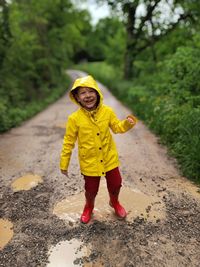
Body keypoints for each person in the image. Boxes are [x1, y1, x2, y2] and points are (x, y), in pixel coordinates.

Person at [60, 75, 137, 223]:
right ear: (77, 97)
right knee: (91, 189)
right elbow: (68, 142)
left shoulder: (107, 112)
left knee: (116, 183)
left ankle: (114, 202)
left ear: (97, 93)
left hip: (109, 158)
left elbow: (117, 128)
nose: (88, 96)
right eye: (83, 93)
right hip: (89, 162)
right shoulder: (74, 119)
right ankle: (88, 207)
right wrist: (64, 163)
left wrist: (127, 124)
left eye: (91, 91)